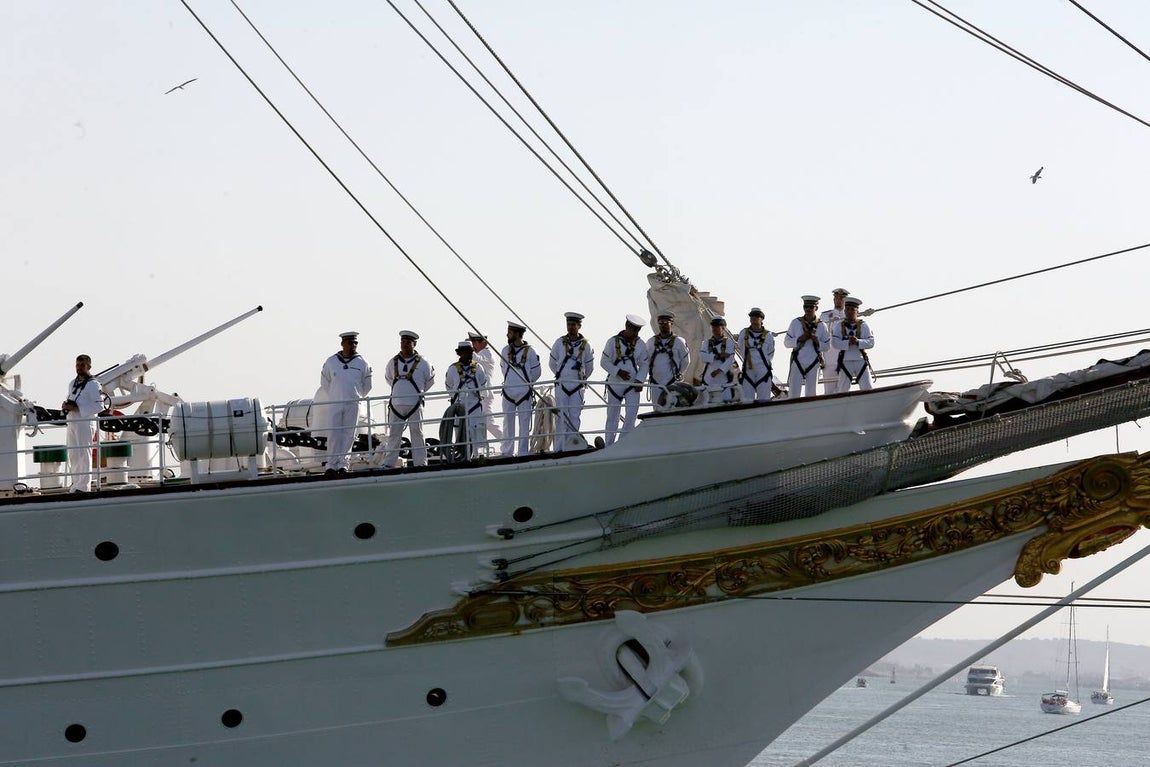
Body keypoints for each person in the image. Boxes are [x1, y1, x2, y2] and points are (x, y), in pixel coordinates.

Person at [317, 331, 372, 474]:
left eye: (355, 343)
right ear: (342, 344)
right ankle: (331, 464)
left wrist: (356, 396)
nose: (352, 345)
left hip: (353, 403)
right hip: (335, 402)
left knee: (349, 434)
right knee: (334, 433)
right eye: (349, 343)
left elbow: (367, 385)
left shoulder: (362, 363)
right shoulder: (331, 362)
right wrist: (335, 395)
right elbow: (325, 382)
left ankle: (343, 463)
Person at [378, 330, 434, 469]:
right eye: (403, 342)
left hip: (414, 404)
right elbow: (389, 379)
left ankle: (420, 463)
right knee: (394, 435)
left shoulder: (423, 363)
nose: (405, 345)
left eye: (408, 342)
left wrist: (417, 393)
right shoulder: (393, 362)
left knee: (417, 434)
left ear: (414, 344)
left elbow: (430, 381)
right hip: (397, 405)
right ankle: (389, 463)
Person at [600, 314, 650, 446]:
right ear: (626, 327)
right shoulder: (612, 342)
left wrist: (640, 380)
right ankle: (609, 444)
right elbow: (604, 362)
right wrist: (618, 372)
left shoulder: (641, 345)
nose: (635, 333)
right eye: (633, 329)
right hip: (615, 384)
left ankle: (624, 442)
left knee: (631, 414)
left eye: (637, 330)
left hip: (632, 384)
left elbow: (645, 364)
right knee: (612, 416)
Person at [548, 311, 595, 452]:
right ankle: (559, 448)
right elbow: (552, 362)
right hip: (562, 383)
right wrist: (561, 375)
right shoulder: (559, 343)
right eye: (569, 324)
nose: (570, 327)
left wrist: (582, 378)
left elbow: (590, 367)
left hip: (577, 384)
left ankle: (571, 446)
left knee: (575, 416)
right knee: (561, 417)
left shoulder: (586, 345)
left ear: (579, 325)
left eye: (573, 324)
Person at [62, 354, 105, 492]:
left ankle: (84, 486)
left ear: (89, 366)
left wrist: (78, 408)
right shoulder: (72, 383)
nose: (79, 368)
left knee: (83, 453)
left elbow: (100, 406)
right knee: (73, 454)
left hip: (85, 422)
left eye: (82, 365)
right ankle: (75, 484)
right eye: (77, 365)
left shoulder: (93, 384)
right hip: (72, 422)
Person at [500, 320, 541, 456]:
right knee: (508, 423)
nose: (507, 334)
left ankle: (523, 451)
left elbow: (536, 373)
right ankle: (508, 451)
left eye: (510, 332)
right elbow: (503, 369)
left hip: (524, 393)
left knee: (524, 423)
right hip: (508, 393)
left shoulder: (530, 352)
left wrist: (525, 385)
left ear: (517, 334)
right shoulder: (505, 351)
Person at [445, 339, 489, 459]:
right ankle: (461, 455)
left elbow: (483, 384)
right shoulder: (452, 369)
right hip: (459, 406)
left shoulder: (479, 368)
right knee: (458, 431)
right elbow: (449, 386)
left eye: (470, 351)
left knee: (475, 431)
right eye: (465, 352)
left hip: (474, 404)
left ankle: (476, 454)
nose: (468, 354)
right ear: (460, 353)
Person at [783, 296, 830, 399]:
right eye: (806, 307)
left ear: (816, 308)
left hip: (814, 362)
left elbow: (827, 346)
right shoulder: (796, 323)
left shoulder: (822, 325)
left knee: (811, 394)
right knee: (794, 394)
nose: (808, 309)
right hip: (798, 360)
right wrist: (799, 339)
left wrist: (817, 341)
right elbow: (786, 342)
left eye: (811, 307)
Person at [646, 311, 690, 411]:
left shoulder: (679, 342)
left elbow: (686, 361)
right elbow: (646, 361)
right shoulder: (651, 342)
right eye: (660, 323)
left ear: (671, 323)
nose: (663, 325)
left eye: (666, 323)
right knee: (657, 409)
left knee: (674, 408)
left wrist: (679, 374)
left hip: (673, 381)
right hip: (656, 383)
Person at [468, 331, 503, 450]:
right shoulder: (481, 353)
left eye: (474, 342)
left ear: (483, 342)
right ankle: (476, 450)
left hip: (485, 395)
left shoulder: (487, 353)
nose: (473, 345)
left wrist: (468, 349)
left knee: (488, 423)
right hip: (477, 394)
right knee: (475, 423)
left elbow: (477, 359)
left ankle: (506, 442)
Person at [830, 296, 875, 391]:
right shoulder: (839, 326)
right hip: (845, 361)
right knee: (843, 389)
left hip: (860, 360)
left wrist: (858, 341)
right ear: (845, 311)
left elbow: (871, 342)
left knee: (867, 387)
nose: (850, 312)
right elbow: (834, 343)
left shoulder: (864, 325)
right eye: (847, 309)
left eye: (852, 309)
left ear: (857, 311)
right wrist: (848, 342)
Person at [737, 307, 775, 402]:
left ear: (761, 319)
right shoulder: (743, 333)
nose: (754, 318)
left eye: (757, 316)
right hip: (748, 370)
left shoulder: (768, 336)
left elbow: (770, 353)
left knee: (764, 400)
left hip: (763, 370)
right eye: (752, 316)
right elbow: (741, 348)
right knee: (747, 400)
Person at [698, 316, 737, 403]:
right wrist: (717, 356)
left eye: (717, 327)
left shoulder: (729, 343)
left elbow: (730, 359)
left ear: (723, 328)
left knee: (726, 401)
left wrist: (719, 371)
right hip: (709, 379)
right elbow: (702, 356)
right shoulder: (706, 343)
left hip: (724, 379)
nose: (714, 329)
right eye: (713, 327)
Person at [820, 288, 850, 395]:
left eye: (841, 298)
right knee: (828, 392)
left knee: (843, 391)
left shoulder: (850, 316)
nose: (839, 300)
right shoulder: (825, 316)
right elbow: (820, 337)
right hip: (829, 360)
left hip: (845, 359)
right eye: (837, 298)